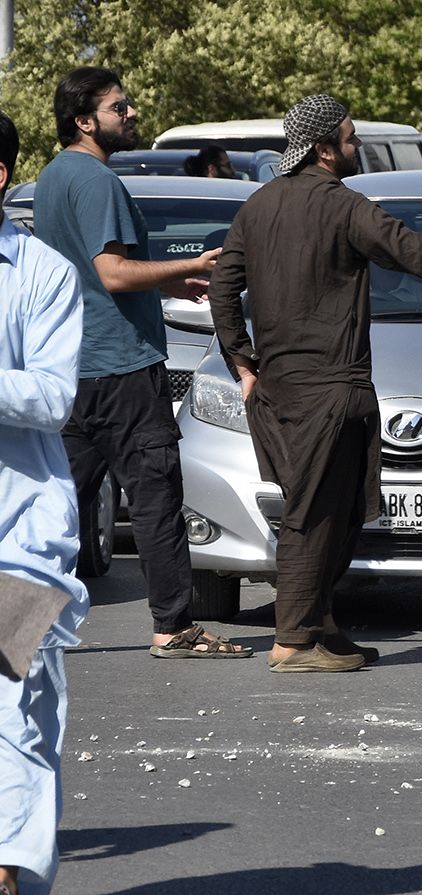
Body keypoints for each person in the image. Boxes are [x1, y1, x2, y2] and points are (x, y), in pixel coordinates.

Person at [207, 95, 422, 673]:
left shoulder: (257, 207)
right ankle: (292, 639)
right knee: (313, 513)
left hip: (282, 393)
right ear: (322, 149)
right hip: (330, 391)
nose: (357, 145)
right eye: (348, 137)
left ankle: (320, 625)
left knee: (338, 515)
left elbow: (222, 289)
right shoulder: (344, 208)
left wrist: (244, 363)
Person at [36, 67, 249, 661]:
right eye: (118, 107)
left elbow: (87, 277)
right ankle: (174, 627)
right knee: (155, 498)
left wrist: (169, 286)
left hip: (69, 368)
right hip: (123, 371)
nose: (131, 114)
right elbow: (111, 273)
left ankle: (14, 633)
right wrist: (189, 270)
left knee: (53, 507)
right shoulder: (99, 183)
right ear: (85, 121)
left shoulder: (52, 179)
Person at [0, 106, 89, 895]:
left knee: (17, 710)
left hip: (22, 536)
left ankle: (12, 869)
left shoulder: (42, 274)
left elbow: (55, 395)